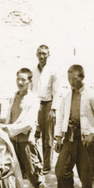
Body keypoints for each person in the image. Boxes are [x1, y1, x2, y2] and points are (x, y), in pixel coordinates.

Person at [0, 68, 49, 188]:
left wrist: (8, 128)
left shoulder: (33, 100)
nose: (20, 82)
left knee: (32, 172)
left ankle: (42, 187)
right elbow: (10, 117)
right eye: (18, 79)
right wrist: (2, 122)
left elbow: (28, 124)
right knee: (11, 168)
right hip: (11, 139)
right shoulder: (13, 97)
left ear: (30, 82)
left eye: (23, 80)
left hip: (25, 140)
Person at [30, 45, 61, 173]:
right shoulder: (33, 71)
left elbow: (57, 92)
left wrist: (53, 110)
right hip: (36, 104)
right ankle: (36, 162)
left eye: (44, 54)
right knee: (34, 134)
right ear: (36, 55)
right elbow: (31, 90)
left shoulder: (53, 71)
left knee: (48, 137)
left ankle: (47, 165)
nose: (42, 56)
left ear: (48, 55)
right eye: (40, 54)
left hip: (48, 104)